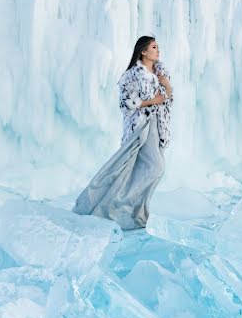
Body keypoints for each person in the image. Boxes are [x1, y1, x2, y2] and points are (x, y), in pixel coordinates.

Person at [71, 36, 174, 230]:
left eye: (158, 46)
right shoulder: (132, 75)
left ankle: (132, 211)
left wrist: (167, 86)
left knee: (149, 170)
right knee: (156, 168)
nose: (158, 50)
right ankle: (116, 204)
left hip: (158, 126)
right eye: (153, 47)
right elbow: (126, 103)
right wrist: (153, 101)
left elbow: (167, 100)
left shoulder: (161, 72)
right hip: (141, 127)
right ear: (143, 51)